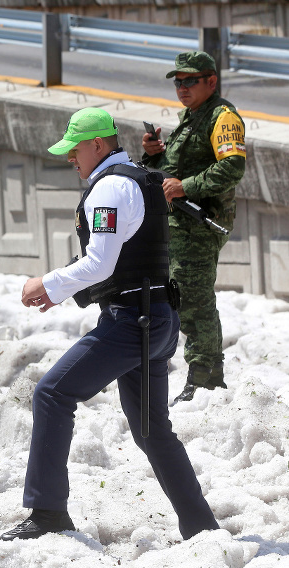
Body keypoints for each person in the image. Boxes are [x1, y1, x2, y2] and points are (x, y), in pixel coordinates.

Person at [2, 108, 219, 542]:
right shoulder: (135, 178)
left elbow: (100, 264)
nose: (70, 158)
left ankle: (47, 513)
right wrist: (59, 289)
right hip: (156, 320)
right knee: (153, 430)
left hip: (132, 322)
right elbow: (116, 260)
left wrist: (45, 283)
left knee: (52, 393)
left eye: (74, 149)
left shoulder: (111, 187)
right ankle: (202, 529)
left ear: (97, 144)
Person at [142, 51, 246, 403]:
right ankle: (205, 377)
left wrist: (187, 186)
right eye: (178, 81)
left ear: (211, 81)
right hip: (180, 225)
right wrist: (154, 154)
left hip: (201, 224)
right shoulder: (191, 117)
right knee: (183, 298)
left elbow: (232, 167)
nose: (182, 87)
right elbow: (172, 170)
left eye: (190, 81)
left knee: (194, 300)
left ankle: (206, 381)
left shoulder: (222, 117)